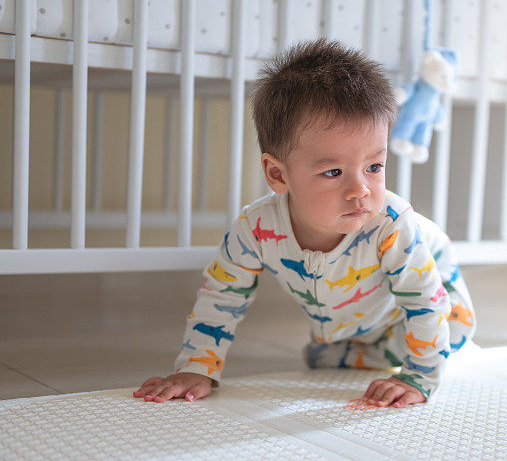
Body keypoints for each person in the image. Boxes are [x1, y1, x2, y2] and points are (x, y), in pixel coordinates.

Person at [133, 38, 477, 408]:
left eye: (374, 167)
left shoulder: (391, 225)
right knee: (321, 359)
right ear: (277, 174)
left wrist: (419, 379)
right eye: (333, 172)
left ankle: (417, 353)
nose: (360, 190)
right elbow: (221, 295)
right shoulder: (256, 228)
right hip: (353, 322)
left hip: (435, 298)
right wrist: (197, 367)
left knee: (449, 328)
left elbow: (425, 300)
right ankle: (370, 349)